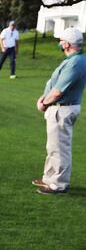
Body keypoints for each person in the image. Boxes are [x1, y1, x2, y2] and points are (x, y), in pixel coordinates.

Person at [33, 28, 86, 195]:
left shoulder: (76, 62)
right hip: (59, 108)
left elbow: (58, 91)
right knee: (53, 147)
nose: (59, 43)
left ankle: (58, 184)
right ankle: (50, 178)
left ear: (67, 44)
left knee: (60, 148)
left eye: (61, 40)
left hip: (62, 109)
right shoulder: (73, 60)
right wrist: (44, 97)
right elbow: (55, 85)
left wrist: (44, 104)